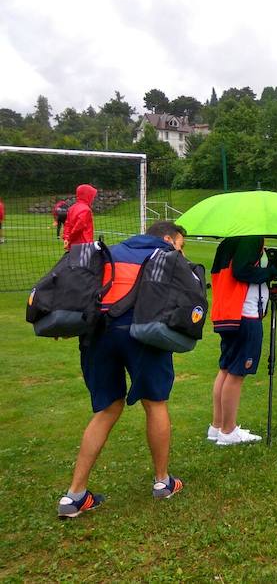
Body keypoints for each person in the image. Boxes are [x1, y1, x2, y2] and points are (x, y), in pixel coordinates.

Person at [57, 220, 187, 519]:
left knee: (107, 408)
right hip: (141, 334)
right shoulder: (164, 257)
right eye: (180, 244)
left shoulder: (111, 252)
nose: (180, 251)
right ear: (167, 238)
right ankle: (163, 481)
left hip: (97, 334)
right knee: (155, 403)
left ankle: (74, 495)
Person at [209, 236, 277, 446]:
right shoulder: (250, 240)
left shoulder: (229, 241)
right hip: (244, 313)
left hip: (228, 312)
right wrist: (272, 272)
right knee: (236, 373)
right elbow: (241, 271)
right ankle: (228, 431)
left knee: (226, 368)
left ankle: (217, 427)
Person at [62, 184, 97, 251]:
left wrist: (66, 238)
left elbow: (67, 224)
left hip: (73, 246)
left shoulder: (72, 208)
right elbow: (78, 228)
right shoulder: (86, 210)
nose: (93, 198)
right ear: (87, 195)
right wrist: (69, 239)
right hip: (84, 245)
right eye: (92, 196)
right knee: (85, 261)